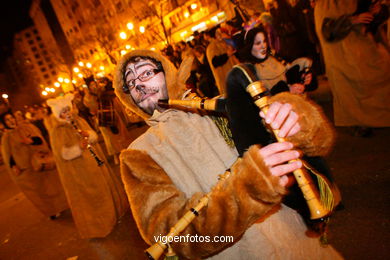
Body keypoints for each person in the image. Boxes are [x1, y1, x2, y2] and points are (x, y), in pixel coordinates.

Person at [113, 49, 342, 259]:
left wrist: (296, 117)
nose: (138, 85)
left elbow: (320, 142)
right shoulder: (137, 154)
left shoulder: (218, 107)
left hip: (295, 240)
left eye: (145, 73)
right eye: (130, 83)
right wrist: (249, 190)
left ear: (169, 73)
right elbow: (176, 238)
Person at [46, 94, 128, 238]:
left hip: (95, 164)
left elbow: (94, 137)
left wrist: (88, 135)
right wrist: (78, 147)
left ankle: (115, 215)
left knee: (104, 189)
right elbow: (63, 154)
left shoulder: (78, 120)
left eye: (68, 110)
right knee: (93, 196)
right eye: (63, 112)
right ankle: (100, 225)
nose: (67, 114)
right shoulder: (58, 131)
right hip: (79, 170)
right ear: (58, 114)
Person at [314, 0, 390, 137]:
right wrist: (351, 20)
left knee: (382, 73)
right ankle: (357, 123)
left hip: (364, 48)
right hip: (341, 56)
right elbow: (327, 31)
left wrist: (376, 13)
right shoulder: (325, 4)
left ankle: (377, 118)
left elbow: (371, 24)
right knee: (349, 91)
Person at [0, 111, 68, 219]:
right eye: (7, 120)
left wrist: (31, 141)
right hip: (26, 170)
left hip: (40, 162)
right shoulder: (6, 138)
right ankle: (51, 211)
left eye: (11, 118)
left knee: (52, 186)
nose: (11, 121)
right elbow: (8, 155)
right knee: (39, 194)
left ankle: (62, 205)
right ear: (4, 123)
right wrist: (13, 166)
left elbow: (40, 140)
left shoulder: (27, 127)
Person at [238, 26, 317, 96]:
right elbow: (261, 96)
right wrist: (287, 90)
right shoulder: (249, 69)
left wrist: (303, 77)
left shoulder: (273, 56)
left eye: (264, 41)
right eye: (258, 43)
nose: (263, 46)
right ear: (250, 46)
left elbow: (288, 74)